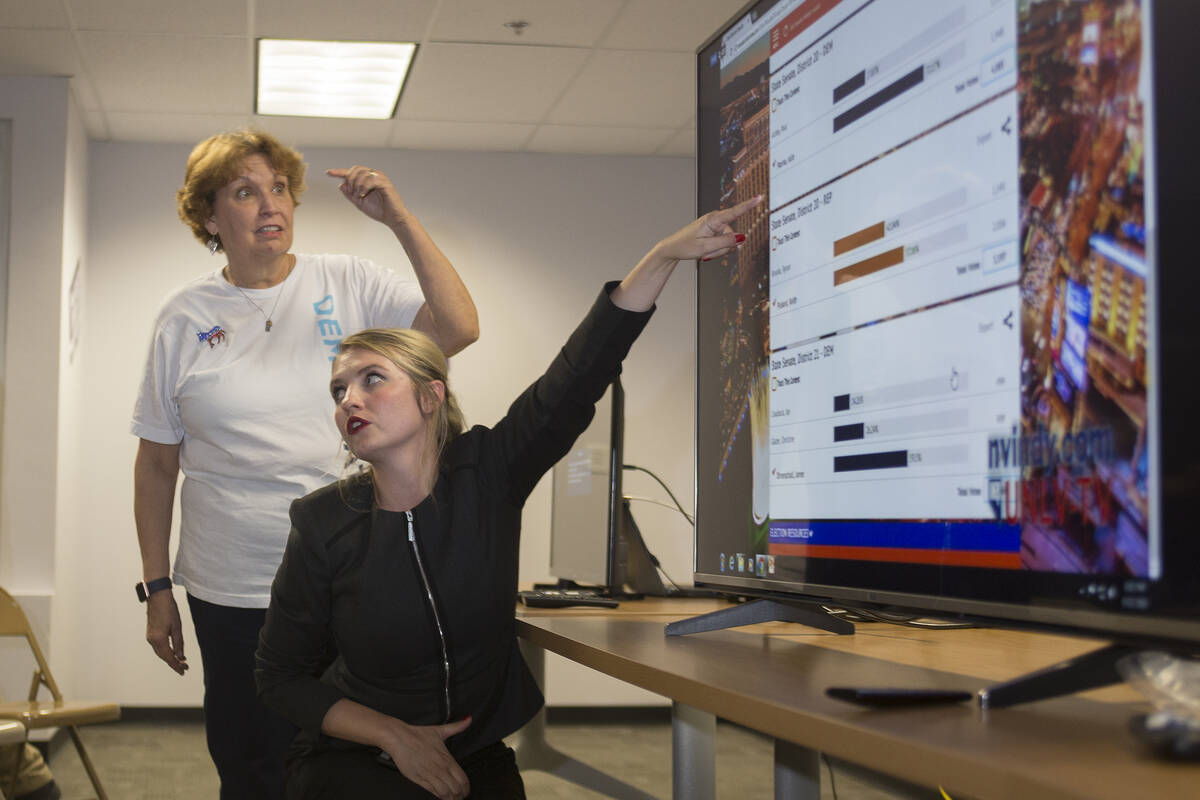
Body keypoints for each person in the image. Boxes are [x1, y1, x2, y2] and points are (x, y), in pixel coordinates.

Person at [255, 196, 762, 799]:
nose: (349, 400)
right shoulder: (322, 522)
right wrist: (395, 736)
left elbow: (577, 376)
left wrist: (661, 257)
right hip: (357, 753)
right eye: (339, 390)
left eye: (372, 380)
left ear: (430, 396)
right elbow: (280, 676)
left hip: (474, 751)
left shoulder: (487, 473)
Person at [131, 129, 479, 800]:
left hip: (347, 577)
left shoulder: (346, 281)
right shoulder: (183, 318)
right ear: (208, 217)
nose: (271, 205)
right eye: (244, 192)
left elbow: (458, 327)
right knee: (250, 762)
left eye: (280, 188)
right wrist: (155, 587)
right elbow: (155, 463)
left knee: (348, 765)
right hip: (229, 584)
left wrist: (398, 218)